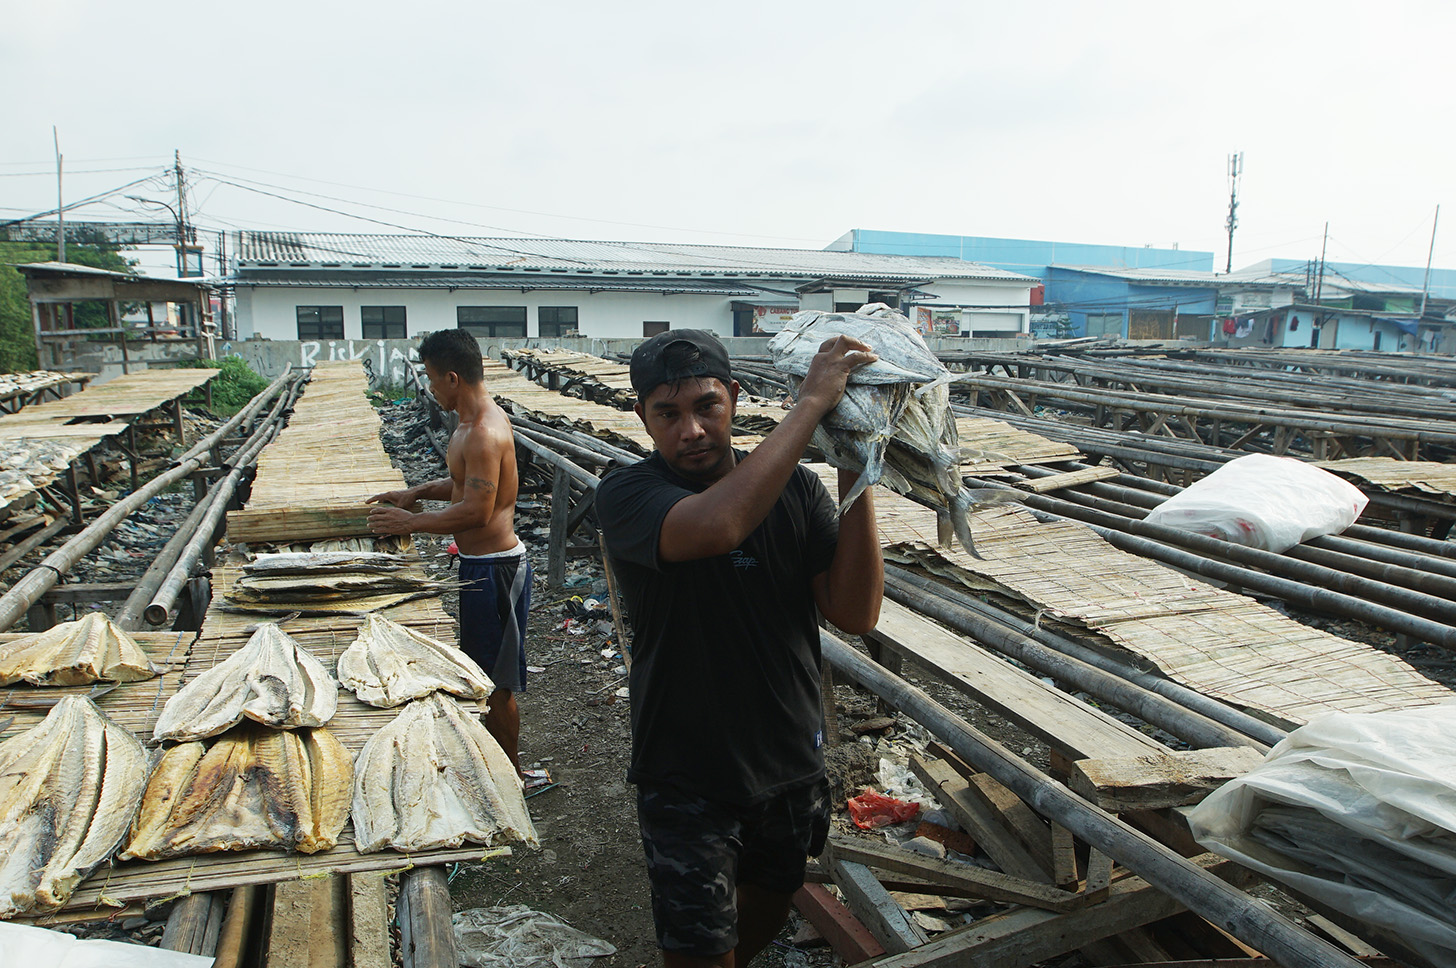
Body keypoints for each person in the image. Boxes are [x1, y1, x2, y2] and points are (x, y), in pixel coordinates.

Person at [595, 329, 884, 968]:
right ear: (642, 416)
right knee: (700, 947)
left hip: (788, 761)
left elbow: (855, 612)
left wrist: (852, 471)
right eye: (667, 414)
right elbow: (719, 526)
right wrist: (810, 405)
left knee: (772, 898)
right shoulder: (627, 495)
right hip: (687, 770)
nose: (691, 429)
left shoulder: (800, 493)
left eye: (706, 406)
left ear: (733, 396)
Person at [367, 328, 531, 775]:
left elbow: (478, 509)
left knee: (496, 684)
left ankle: (513, 776)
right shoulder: (465, 426)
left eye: (433, 378)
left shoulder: (482, 431)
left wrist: (412, 523)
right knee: (479, 673)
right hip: (479, 567)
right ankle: (497, 767)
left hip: (498, 569)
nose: (431, 386)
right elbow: (463, 486)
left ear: (453, 378)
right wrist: (416, 492)